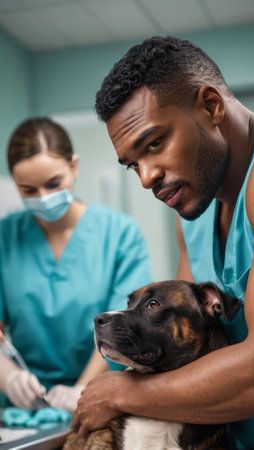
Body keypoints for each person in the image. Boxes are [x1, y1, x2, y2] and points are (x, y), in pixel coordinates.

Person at [71, 36, 254, 448]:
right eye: (133, 165)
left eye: (155, 143)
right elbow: (180, 362)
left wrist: (119, 391)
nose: (146, 177)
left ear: (211, 106)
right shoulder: (194, 218)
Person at [0, 117, 153, 413]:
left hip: (103, 394)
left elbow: (126, 324)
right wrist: (8, 377)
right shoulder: (5, 237)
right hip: (24, 407)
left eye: (53, 184)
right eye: (28, 190)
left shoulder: (119, 234)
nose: (43, 199)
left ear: (74, 166)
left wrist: (83, 389)